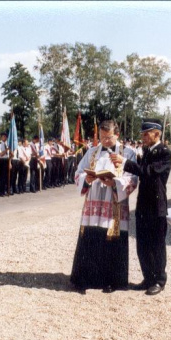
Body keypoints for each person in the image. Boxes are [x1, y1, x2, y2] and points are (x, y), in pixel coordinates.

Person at [70, 120, 138, 293]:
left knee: (111, 239)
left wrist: (114, 183)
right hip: (93, 202)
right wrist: (87, 179)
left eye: (108, 138)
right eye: (102, 137)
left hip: (113, 202)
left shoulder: (128, 153)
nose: (105, 141)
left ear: (117, 135)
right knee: (91, 238)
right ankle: (86, 279)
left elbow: (133, 178)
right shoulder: (92, 152)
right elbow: (78, 173)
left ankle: (111, 281)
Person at [111, 118, 171, 296]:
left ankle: (159, 280)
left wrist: (125, 162)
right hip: (144, 205)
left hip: (157, 206)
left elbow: (149, 172)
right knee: (143, 244)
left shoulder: (164, 152)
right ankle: (148, 277)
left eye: (147, 134)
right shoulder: (146, 151)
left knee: (157, 245)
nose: (144, 137)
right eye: (143, 134)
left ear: (157, 133)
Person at [0, 132, 9, 197]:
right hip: (2, 161)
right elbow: (0, 154)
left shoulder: (6, 144)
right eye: (4, 136)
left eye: (6, 137)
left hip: (7, 160)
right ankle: (0, 191)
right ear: (1, 137)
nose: (5, 138)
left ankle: (5, 190)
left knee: (6, 177)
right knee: (2, 177)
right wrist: (6, 150)